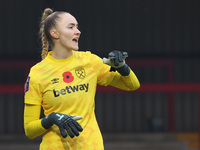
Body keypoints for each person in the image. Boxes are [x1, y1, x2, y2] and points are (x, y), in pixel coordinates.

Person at [24, 8, 140, 150]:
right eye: (71, 27)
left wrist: (122, 67)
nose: (78, 31)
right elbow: (29, 130)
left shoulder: (89, 61)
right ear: (55, 33)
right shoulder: (37, 73)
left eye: (77, 27)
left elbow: (132, 85)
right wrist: (52, 118)